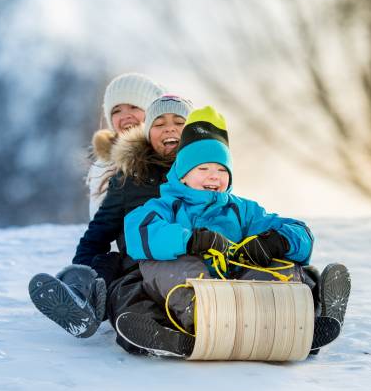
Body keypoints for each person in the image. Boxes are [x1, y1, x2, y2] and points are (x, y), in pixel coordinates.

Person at [114, 106, 352, 357]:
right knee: (163, 264)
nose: (214, 177)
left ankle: (296, 322)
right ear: (183, 175)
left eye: (221, 170)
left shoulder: (242, 210)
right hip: (192, 301)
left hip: (244, 297)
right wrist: (190, 240)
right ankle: (182, 332)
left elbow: (301, 232)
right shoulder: (164, 207)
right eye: (203, 169)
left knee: (283, 267)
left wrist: (276, 242)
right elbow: (137, 232)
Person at [29, 93, 194, 339]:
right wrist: (81, 272)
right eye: (159, 124)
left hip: (190, 264)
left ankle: (178, 330)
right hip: (137, 268)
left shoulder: (206, 173)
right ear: (148, 132)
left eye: (179, 122)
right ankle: (81, 297)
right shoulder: (130, 178)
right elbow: (99, 231)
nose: (169, 128)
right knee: (112, 275)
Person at [87, 72, 165, 218]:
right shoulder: (103, 166)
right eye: (116, 111)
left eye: (134, 107)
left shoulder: (169, 157)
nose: (125, 116)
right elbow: (100, 223)